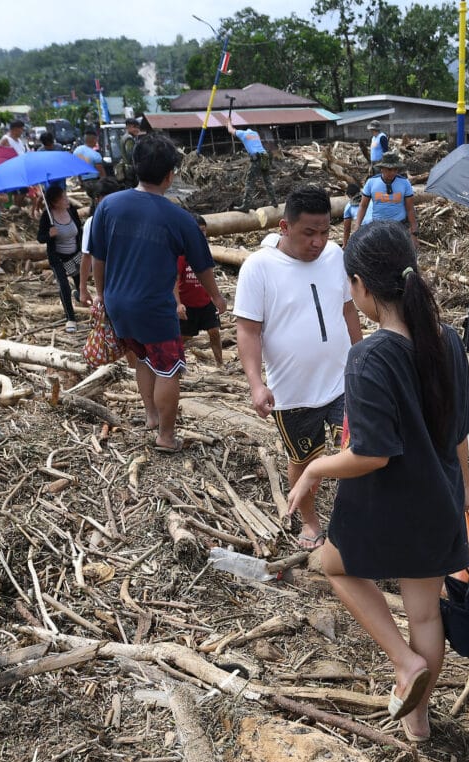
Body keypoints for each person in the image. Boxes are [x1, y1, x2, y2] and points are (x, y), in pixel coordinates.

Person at [287, 220, 469, 743]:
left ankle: (404, 665)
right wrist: (464, 486)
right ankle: (418, 724)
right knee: (425, 615)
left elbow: (370, 455)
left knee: (332, 563)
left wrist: (313, 468)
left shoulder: (370, 356)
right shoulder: (445, 340)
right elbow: (457, 426)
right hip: (437, 500)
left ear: (363, 287)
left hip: (388, 505)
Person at [235, 185, 362, 550]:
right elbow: (247, 330)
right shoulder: (259, 268)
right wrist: (256, 383)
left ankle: (355, 521)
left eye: (324, 231)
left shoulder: (336, 255)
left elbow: (347, 309)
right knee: (305, 459)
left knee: (359, 451)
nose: (318, 241)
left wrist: (361, 358)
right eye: (309, 232)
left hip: (341, 382)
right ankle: (309, 521)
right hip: (293, 393)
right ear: (285, 226)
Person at [89, 134, 227, 452]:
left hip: (118, 303)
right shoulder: (178, 217)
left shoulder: (109, 206)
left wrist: (102, 295)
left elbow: (99, 257)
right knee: (169, 367)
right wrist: (216, 297)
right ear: (170, 175)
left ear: (136, 168)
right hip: (154, 307)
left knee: (143, 360)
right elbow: (202, 264)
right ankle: (166, 436)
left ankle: (151, 415)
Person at [174, 214, 224, 368]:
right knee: (185, 336)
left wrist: (216, 297)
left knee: (214, 332)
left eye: (204, 231)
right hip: (188, 304)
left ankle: (220, 365)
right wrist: (178, 304)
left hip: (205, 301)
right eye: (198, 231)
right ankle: (177, 364)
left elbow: (209, 276)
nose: (201, 235)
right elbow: (174, 281)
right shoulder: (181, 255)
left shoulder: (204, 252)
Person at [36, 184, 83, 333]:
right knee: (64, 285)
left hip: (75, 255)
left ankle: (79, 296)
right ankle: (71, 318)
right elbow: (40, 238)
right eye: (63, 198)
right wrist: (49, 234)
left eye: (66, 196)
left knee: (80, 285)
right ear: (54, 202)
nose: (66, 199)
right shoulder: (47, 216)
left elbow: (79, 231)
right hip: (58, 258)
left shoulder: (72, 211)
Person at [78, 177, 122, 307]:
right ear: (97, 199)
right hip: (107, 283)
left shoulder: (127, 219)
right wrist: (83, 289)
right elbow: (87, 257)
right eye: (108, 198)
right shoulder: (91, 223)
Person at [356, 152, 416, 243]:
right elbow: (363, 206)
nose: (392, 173)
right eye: (389, 169)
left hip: (400, 225)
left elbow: (410, 209)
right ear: (381, 169)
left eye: (395, 169)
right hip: (378, 227)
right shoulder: (371, 182)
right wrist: (357, 227)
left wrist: (414, 232)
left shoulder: (404, 183)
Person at [226, 117, 278, 212]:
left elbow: (230, 130)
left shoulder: (243, 134)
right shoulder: (255, 134)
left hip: (257, 158)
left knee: (250, 182)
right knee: (267, 180)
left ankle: (246, 206)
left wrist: (228, 122)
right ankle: (274, 201)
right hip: (265, 156)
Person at [74, 128, 106, 197]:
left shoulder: (77, 151)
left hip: (82, 181)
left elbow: (76, 168)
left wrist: (80, 181)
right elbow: (102, 174)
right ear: (94, 139)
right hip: (94, 182)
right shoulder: (95, 155)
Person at [116, 117, 141, 185]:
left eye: (138, 127)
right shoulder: (129, 138)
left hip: (126, 169)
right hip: (130, 170)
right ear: (128, 127)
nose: (137, 130)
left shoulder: (124, 137)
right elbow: (131, 155)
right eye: (134, 127)